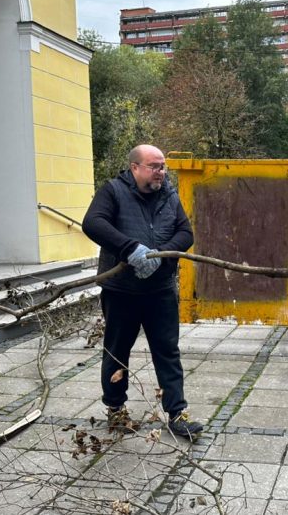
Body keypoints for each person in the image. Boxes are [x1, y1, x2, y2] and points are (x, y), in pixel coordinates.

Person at [82, 144, 202, 439]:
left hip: (160, 290)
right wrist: (130, 249)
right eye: (154, 166)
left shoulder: (169, 196)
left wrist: (160, 255)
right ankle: (116, 409)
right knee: (117, 351)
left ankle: (177, 413)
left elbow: (186, 233)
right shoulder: (112, 191)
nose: (161, 172)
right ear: (135, 167)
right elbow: (93, 223)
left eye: (162, 166)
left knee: (167, 351)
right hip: (122, 290)